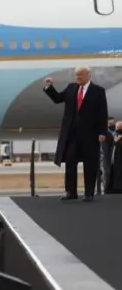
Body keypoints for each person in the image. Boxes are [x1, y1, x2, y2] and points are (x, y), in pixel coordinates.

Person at [44, 67, 108, 202]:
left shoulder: (98, 91)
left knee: (90, 165)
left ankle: (89, 193)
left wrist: (102, 131)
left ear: (88, 75)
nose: (77, 77)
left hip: (89, 135)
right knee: (70, 162)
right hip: (72, 135)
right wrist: (49, 87)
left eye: (79, 75)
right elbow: (57, 99)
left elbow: (103, 113)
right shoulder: (71, 88)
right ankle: (70, 192)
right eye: (76, 75)